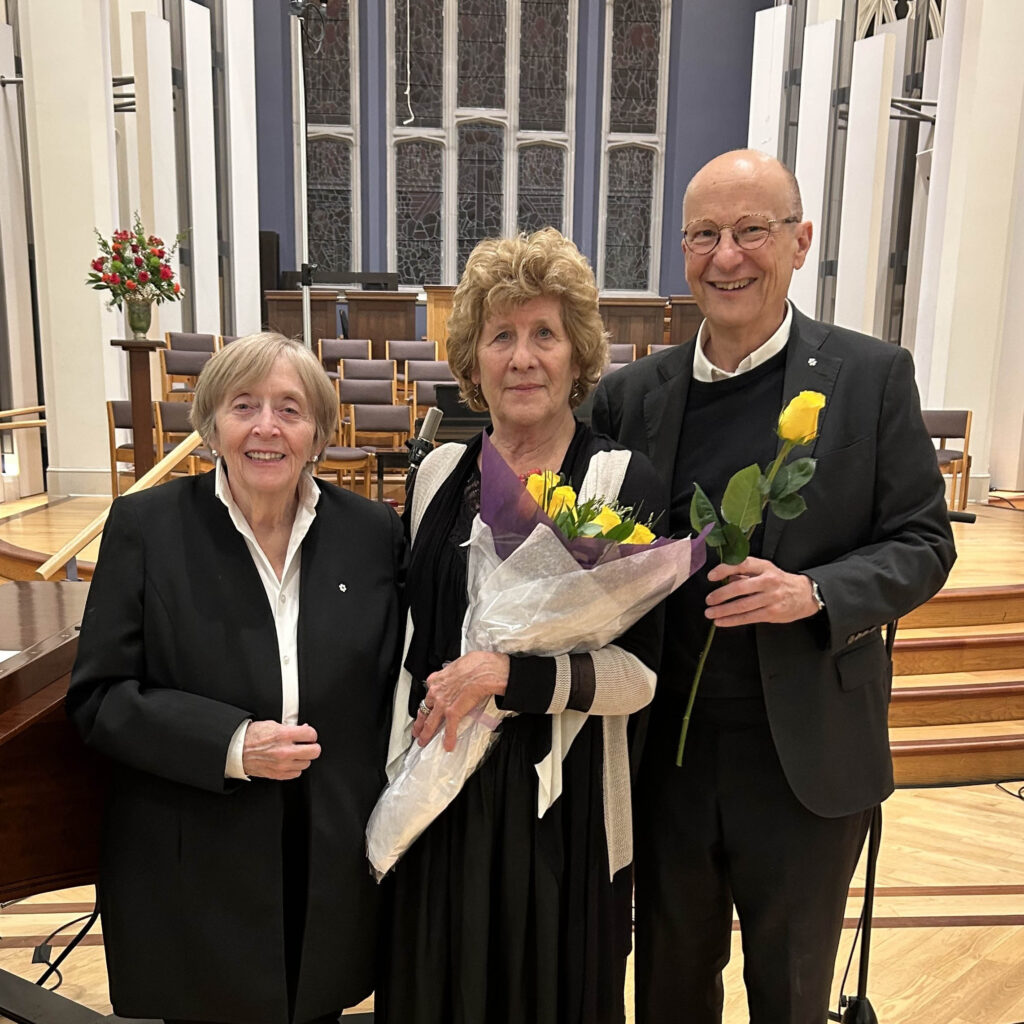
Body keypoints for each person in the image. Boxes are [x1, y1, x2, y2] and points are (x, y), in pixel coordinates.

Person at [592, 150, 956, 1024]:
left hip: (805, 757)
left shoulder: (870, 378)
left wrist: (816, 591)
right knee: (671, 987)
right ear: (682, 252)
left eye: (751, 231)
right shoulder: (631, 396)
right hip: (664, 756)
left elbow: (924, 543)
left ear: (798, 242)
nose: (728, 256)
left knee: (791, 992)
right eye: (705, 234)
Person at [66, 333, 404, 1024]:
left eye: (290, 408)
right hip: (196, 865)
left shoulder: (371, 533)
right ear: (213, 423)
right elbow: (98, 699)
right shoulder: (147, 526)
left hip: (327, 859)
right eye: (243, 405)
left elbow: (387, 693)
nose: (266, 427)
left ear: (318, 432)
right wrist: (232, 744)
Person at [375, 228, 665, 1024]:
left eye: (545, 333)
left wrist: (507, 677)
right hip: (438, 795)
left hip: (558, 811)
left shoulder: (618, 479)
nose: (523, 356)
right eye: (501, 335)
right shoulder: (437, 474)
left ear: (578, 355)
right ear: (474, 360)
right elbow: (413, 637)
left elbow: (638, 678)